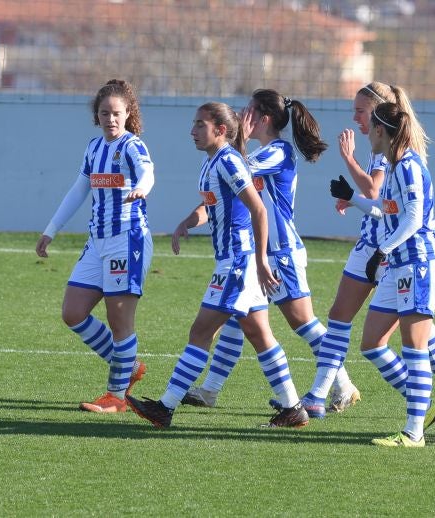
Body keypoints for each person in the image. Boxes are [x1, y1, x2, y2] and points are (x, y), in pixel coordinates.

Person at [125, 102, 308, 429]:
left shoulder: (228, 161)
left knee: (201, 332)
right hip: (234, 261)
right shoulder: (212, 161)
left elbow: (258, 210)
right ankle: (293, 407)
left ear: (220, 130)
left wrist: (260, 260)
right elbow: (213, 205)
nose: (192, 131)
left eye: (200, 124)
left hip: (237, 263)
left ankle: (165, 407)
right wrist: (187, 221)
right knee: (259, 333)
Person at [178, 89, 359, 414]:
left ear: (263, 119)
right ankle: (209, 390)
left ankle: (342, 385)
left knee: (302, 322)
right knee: (237, 319)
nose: (241, 116)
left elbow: (237, 168)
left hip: (280, 252)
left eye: (247, 111)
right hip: (259, 252)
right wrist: (193, 218)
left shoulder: (278, 152)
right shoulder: (263, 151)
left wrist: (238, 139)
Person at [303, 82, 435, 423]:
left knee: (416, 332)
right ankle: (322, 395)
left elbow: (384, 196)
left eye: (360, 111)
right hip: (377, 245)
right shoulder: (386, 150)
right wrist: (353, 198)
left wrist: (349, 162)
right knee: (352, 324)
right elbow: (382, 203)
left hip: (400, 252)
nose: (355, 118)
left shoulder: (398, 156)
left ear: (379, 119)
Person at [329, 102, 435, 447]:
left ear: (380, 131)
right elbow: (386, 209)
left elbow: (414, 218)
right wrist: (353, 198)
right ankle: (420, 400)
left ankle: (413, 432)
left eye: (370, 129)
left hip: (418, 264)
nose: (367, 136)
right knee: (372, 342)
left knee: (415, 347)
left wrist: (384, 249)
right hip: (400, 265)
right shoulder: (395, 166)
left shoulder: (408, 166)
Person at [35, 79, 153, 413]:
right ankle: (129, 366)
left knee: (119, 320)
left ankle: (117, 397)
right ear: (96, 115)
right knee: (73, 312)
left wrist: (142, 188)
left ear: (128, 113)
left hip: (126, 240)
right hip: (97, 242)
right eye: (104, 113)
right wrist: (51, 230)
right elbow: (78, 190)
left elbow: (148, 172)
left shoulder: (132, 146)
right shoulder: (93, 148)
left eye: (116, 113)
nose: (110, 119)